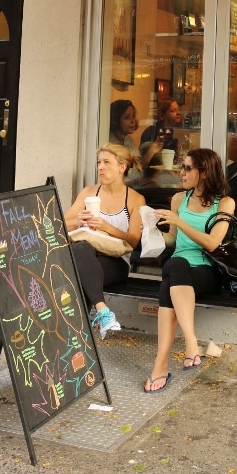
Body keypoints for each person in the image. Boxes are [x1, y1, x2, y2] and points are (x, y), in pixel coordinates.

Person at [144, 148, 234, 393]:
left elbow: (213, 242)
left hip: (206, 269)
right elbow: (173, 240)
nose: (181, 172)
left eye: (187, 168)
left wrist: (179, 221)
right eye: (181, 167)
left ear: (203, 173)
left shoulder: (224, 202)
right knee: (173, 266)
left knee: (171, 273)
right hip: (179, 270)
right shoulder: (178, 199)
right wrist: (153, 230)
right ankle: (188, 348)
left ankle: (163, 363)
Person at [65, 143, 145, 339]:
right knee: (81, 250)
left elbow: (133, 241)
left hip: (117, 261)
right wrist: (79, 220)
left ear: (122, 167)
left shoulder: (135, 199)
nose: (100, 167)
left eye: (106, 163)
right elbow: (62, 224)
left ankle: (73, 334)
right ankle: (102, 312)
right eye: (99, 162)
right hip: (86, 257)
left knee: (79, 272)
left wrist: (106, 227)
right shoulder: (88, 192)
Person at [140, 98, 182, 168]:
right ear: (162, 115)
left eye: (178, 109)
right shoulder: (151, 132)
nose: (178, 113)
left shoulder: (172, 131)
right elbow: (141, 164)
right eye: (173, 111)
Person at [109, 99, 142, 184]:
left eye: (133, 116)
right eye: (127, 117)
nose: (133, 121)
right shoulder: (110, 142)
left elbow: (137, 171)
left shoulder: (128, 140)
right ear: (116, 120)